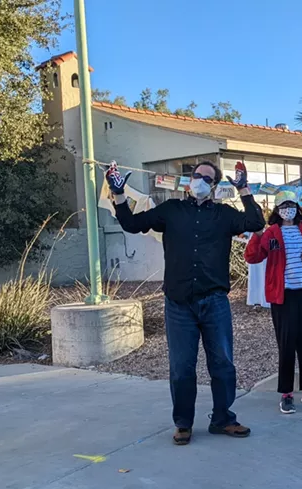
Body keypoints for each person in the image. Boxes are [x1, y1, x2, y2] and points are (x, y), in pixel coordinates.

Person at [106, 160, 265, 445]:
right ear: (189, 180)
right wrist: (118, 194)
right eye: (196, 175)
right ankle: (183, 423)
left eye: (207, 178)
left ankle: (223, 419)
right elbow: (132, 224)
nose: (200, 180)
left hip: (214, 300)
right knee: (181, 367)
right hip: (179, 303)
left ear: (215, 186)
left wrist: (243, 189)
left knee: (223, 363)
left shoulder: (223, 215)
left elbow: (255, 222)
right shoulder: (171, 210)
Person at [244, 191, 302, 414]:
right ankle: (286, 394)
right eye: (283, 205)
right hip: (283, 295)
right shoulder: (271, 233)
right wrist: (256, 235)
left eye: (291, 205)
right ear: (277, 209)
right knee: (286, 343)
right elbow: (252, 258)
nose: (287, 209)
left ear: (297, 207)